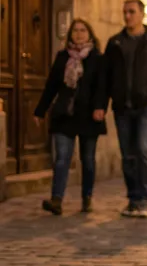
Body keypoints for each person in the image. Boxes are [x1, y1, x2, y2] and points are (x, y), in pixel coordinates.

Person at [105, 0, 147, 218]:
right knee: (128, 154)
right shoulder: (115, 43)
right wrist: (102, 104)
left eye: (132, 12)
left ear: (142, 14)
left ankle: (143, 200)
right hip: (122, 108)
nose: (127, 16)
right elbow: (106, 76)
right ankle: (133, 199)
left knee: (143, 149)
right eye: (125, 12)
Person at [34, 19, 107, 215]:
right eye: (75, 30)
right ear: (70, 34)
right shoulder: (62, 57)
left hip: (89, 116)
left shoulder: (97, 58)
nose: (79, 34)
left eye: (83, 30)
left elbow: (102, 87)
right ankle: (56, 200)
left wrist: (100, 107)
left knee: (88, 159)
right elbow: (51, 85)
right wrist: (40, 110)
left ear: (90, 34)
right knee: (62, 158)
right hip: (65, 114)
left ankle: (87, 198)